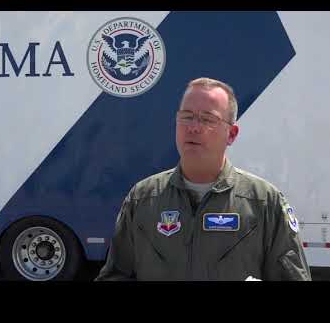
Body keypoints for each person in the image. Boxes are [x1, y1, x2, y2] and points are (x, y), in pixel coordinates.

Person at [95, 77, 311, 281]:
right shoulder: (142, 198)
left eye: (208, 119)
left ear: (232, 134)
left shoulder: (264, 202)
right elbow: (115, 274)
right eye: (186, 116)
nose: (193, 127)